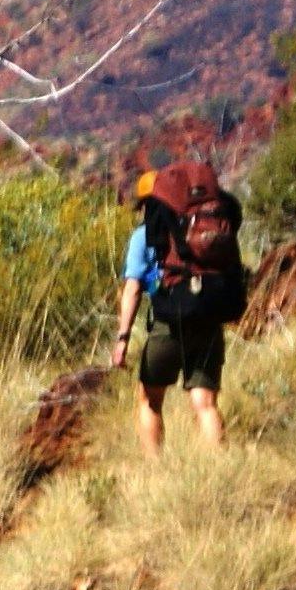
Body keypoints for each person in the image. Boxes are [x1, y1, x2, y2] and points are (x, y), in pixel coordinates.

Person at [110, 160, 245, 452]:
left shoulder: (143, 236)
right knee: (205, 403)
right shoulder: (194, 227)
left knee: (149, 399)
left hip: (169, 322)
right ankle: (218, 469)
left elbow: (132, 289)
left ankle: (155, 470)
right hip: (208, 314)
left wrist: (123, 337)